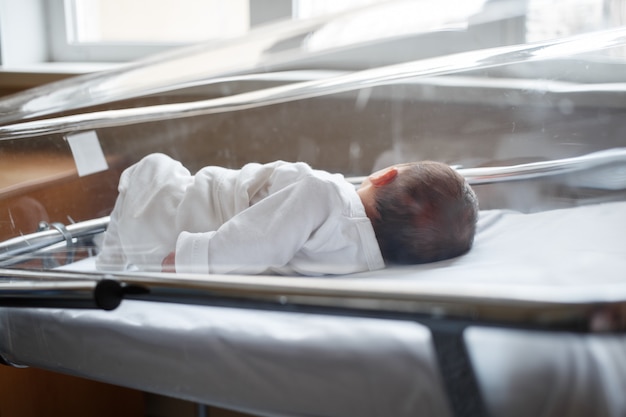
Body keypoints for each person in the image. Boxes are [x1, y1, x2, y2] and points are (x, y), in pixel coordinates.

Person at [96, 153, 478, 275]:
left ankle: (106, 262)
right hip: (174, 233)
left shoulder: (326, 196)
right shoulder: (363, 259)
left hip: (180, 222)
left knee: (151, 168)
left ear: (384, 175)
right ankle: (112, 255)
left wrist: (191, 258)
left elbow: (261, 241)